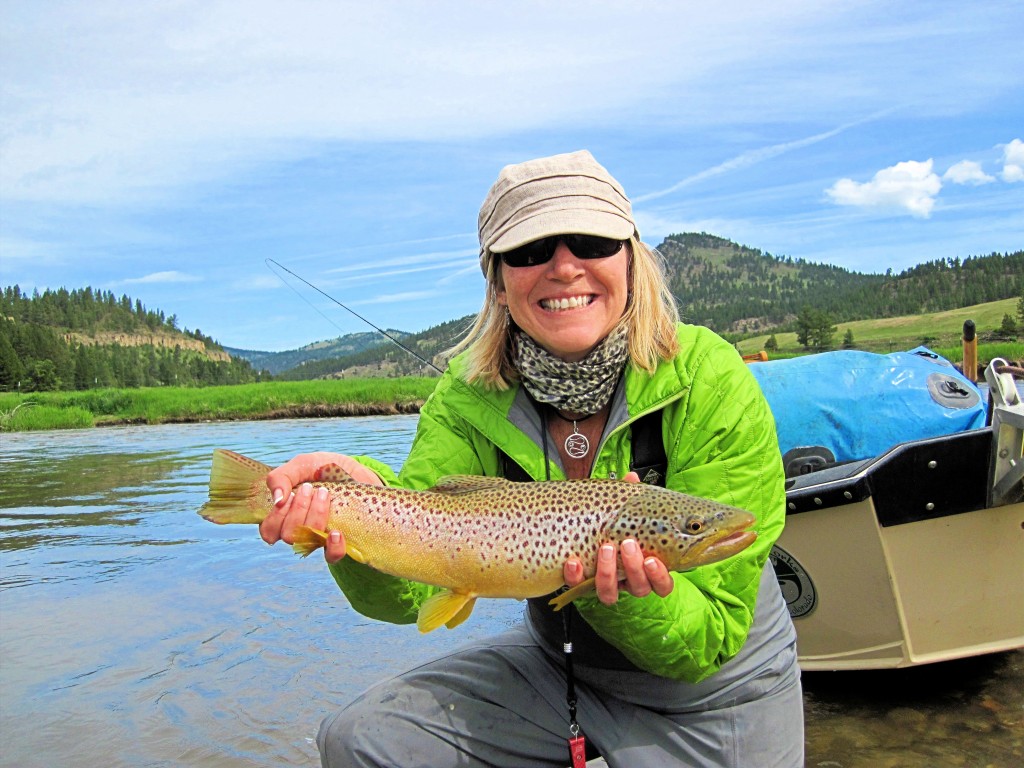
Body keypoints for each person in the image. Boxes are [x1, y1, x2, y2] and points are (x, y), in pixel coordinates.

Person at [260, 150, 804, 768]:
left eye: (590, 241)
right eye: (529, 251)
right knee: (359, 739)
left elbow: (708, 638)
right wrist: (353, 500)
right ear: (497, 279)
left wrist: (618, 592)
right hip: (557, 673)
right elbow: (412, 595)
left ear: (631, 256)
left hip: (713, 694)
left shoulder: (710, 376)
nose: (564, 267)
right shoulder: (466, 397)